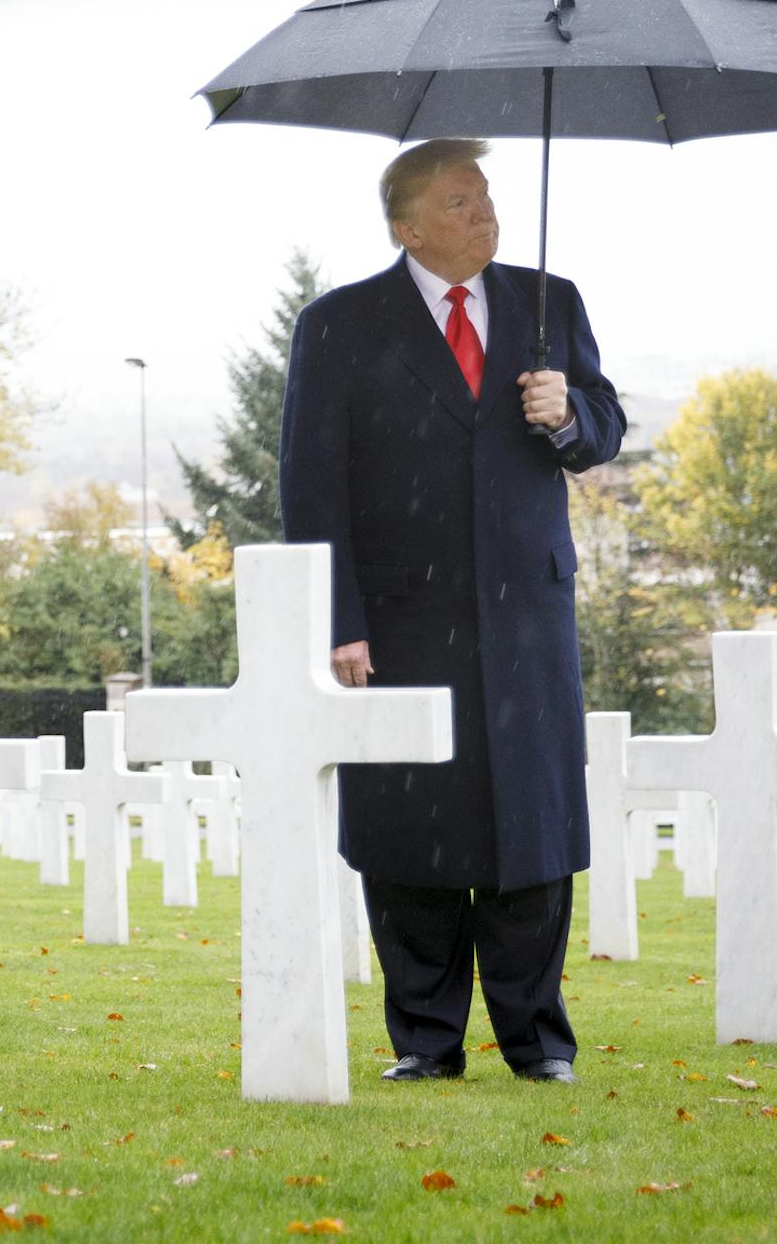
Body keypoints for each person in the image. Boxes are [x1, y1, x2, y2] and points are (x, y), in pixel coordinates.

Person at [278, 137, 624, 1085]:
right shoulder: (339, 325)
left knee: (532, 824)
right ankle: (425, 1043)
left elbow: (604, 427)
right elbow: (312, 485)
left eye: (488, 197)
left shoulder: (550, 302)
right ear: (408, 225)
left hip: (527, 618)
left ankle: (536, 1043)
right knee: (410, 824)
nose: (486, 214)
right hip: (398, 623)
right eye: (462, 202)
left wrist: (567, 414)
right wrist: (338, 620)